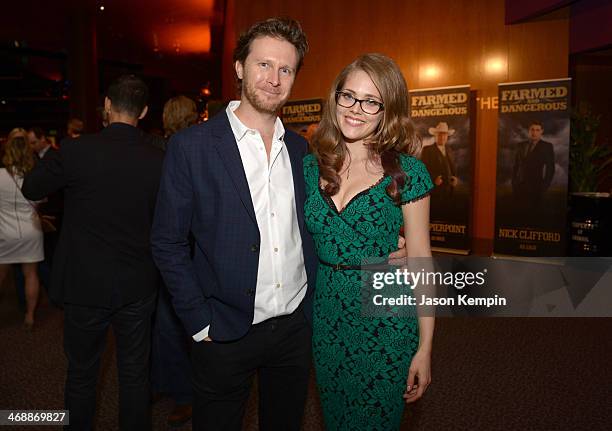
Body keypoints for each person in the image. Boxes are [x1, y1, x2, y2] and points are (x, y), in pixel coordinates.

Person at [151, 17, 318, 431]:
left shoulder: (301, 150)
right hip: (223, 331)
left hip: (294, 329)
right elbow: (167, 242)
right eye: (264, 65)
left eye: (286, 69)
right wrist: (198, 322)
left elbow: (316, 228)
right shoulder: (191, 147)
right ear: (240, 67)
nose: (274, 78)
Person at [22, 75, 164, 430]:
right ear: (144, 111)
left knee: (82, 373)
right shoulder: (159, 157)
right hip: (138, 281)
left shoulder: (75, 150)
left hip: (85, 283)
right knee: (134, 373)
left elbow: (31, 187)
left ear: (105, 106)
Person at [304, 53, 435, 430]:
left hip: (386, 317)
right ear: (335, 97)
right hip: (327, 318)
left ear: (387, 110)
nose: (356, 109)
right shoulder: (310, 166)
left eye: (371, 101)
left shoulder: (407, 173)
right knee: (336, 418)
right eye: (349, 96)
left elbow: (422, 262)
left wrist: (425, 348)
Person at [150, 95, 198, 427]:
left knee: (175, 323)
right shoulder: (158, 151)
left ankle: (184, 394)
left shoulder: (193, 149)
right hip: (164, 248)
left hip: (187, 249)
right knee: (164, 324)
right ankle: (168, 385)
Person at [0, 128, 43, 329]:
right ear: (28, 147)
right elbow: (43, 199)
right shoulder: (35, 175)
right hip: (31, 231)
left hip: (4, 233)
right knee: (31, 275)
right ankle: (30, 316)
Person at [512, 120, 555, 212]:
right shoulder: (520, 145)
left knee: (534, 215)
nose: (534, 132)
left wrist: (544, 186)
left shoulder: (547, 146)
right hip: (519, 186)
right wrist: (514, 182)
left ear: (541, 131)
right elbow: (516, 165)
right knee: (518, 215)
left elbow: (550, 168)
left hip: (536, 187)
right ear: (528, 131)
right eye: (532, 130)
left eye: (537, 130)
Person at [420, 121, 457, 203]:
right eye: (440, 134)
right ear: (435, 135)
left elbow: (452, 168)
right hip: (435, 192)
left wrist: (454, 178)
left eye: (445, 134)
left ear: (447, 136)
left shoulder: (449, 150)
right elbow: (422, 170)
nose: (442, 137)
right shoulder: (427, 150)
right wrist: (433, 179)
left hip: (449, 192)